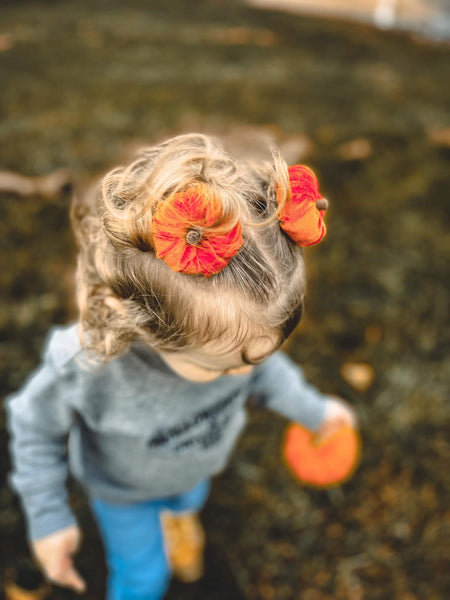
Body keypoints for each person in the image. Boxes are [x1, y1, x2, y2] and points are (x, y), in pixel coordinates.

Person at [6, 133, 356, 600]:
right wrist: (49, 517)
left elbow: (270, 375)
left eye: (256, 357)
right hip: (123, 492)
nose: (245, 374)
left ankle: (178, 518)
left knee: (187, 499)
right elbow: (34, 426)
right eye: (227, 366)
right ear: (145, 328)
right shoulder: (87, 365)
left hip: (195, 469)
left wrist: (315, 412)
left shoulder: (235, 352)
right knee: (143, 578)